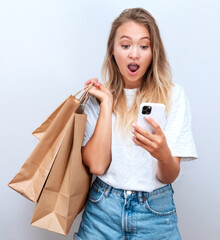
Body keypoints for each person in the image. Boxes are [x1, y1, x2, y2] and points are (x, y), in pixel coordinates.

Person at [74, 8, 197, 240]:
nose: (134, 55)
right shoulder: (98, 99)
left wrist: (162, 154)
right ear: (113, 50)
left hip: (155, 214)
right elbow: (98, 166)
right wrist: (108, 103)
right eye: (126, 45)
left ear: (153, 52)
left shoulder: (173, 96)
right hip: (102, 211)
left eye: (143, 46)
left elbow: (169, 175)